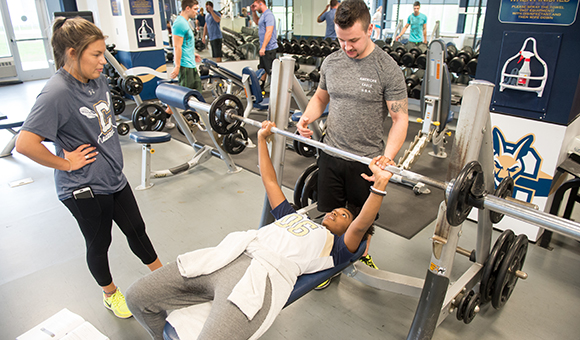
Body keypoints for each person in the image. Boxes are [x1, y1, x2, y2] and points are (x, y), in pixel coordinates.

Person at [125, 120, 393, 340]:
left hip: (260, 279)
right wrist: (263, 140)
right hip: (227, 257)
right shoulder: (292, 217)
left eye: (343, 215)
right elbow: (269, 180)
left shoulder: (336, 248)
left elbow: (361, 223)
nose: (335, 211)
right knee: (137, 297)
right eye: (336, 209)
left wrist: (378, 187)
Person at [15, 16, 163, 319]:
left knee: (136, 229)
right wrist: (66, 162)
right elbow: (24, 143)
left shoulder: (97, 78)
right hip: (83, 186)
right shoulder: (56, 92)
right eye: (96, 54)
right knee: (100, 243)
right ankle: (110, 295)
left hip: (112, 176)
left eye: (102, 53)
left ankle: (165, 278)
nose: (101, 61)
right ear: (72, 53)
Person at [296, 0, 408, 285]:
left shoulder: (387, 67)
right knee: (329, 214)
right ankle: (325, 264)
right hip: (331, 152)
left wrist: (388, 157)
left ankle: (361, 254)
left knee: (363, 220)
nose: (347, 47)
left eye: (354, 40)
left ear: (370, 29)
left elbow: (400, 119)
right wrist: (306, 119)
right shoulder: (332, 62)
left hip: (365, 161)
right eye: (341, 39)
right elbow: (321, 98)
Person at [251, 0, 278, 90]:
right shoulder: (263, 15)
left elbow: (269, 32)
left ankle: (276, 93)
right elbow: (257, 22)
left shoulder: (269, 15)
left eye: (255, 6)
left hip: (269, 49)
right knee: (263, 69)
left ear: (261, 3)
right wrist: (253, 11)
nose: (255, 7)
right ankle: (260, 88)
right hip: (264, 48)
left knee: (271, 72)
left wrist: (263, 47)